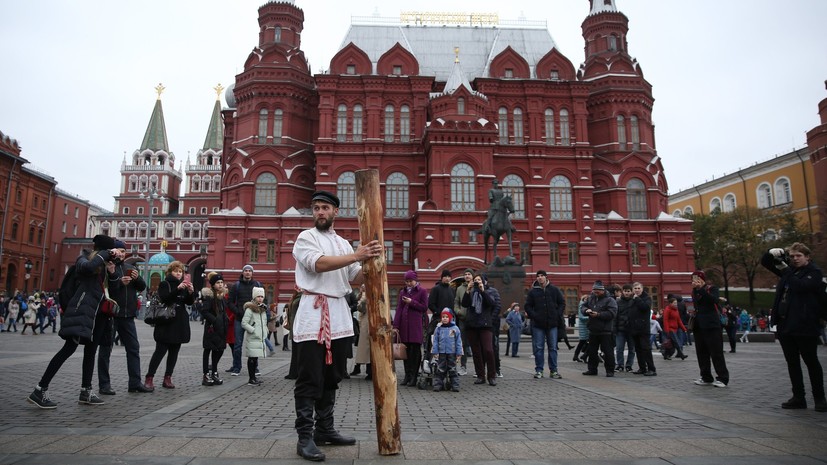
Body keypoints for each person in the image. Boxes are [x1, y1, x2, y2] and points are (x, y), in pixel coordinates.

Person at [291, 190, 381, 461]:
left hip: (340, 315)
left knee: (333, 375)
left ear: (335, 212)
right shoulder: (306, 238)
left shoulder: (343, 243)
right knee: (310, 378)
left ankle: (325, 429)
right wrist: (357, 255)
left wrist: (373, 261)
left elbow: (353, 277)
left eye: (325, 208)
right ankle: (304, 437)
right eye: (316, 208)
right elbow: (318, 264)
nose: (320, 212)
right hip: (313, 314)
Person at [27, 234, 125, 409]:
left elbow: (114, 292)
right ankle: (40, 389)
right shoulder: (85, 259)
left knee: (91, 351)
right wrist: (104, 254)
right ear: (102, 249)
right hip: (82, 312)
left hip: (99, 315)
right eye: (109, 250)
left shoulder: (105, 265)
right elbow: (87, 268)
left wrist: (113, 272)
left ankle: (86, 391)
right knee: (68, 348)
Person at [761, 244, 825, 411]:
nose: (795, 259)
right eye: (792, 256)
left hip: (805, 325)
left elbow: (801, 287)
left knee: (811, 362)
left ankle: (819, 398)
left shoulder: (814, 273)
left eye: (799, 256)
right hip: (786, 324)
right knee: (792, 363)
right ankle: (798, 397)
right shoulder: (789, 271)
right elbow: (765, 263)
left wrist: (786, 270)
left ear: (807, 257)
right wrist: (771, 252)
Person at [97, 240, 152, 395]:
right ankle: (104, 384)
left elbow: (142, 287)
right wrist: (118, 281)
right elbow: (106, 291)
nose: (121, 253)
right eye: (118, 250)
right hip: (111, 314)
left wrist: (137, 278)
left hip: (127, 315)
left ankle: (135, 383)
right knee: (106, 349)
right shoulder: (106, 268)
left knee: (133, 348)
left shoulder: (130, 267)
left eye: (123, 250)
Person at [144, 261, 194, 390]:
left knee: (174, 352)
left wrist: (190, 292)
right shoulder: (164, 284)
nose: (178, 274)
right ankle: (149, 377)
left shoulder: (183, 285)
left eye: (180, 272)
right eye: (176, 271)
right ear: (170, 272)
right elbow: (165, 298)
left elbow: (188, 302)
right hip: (166, 321)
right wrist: (178, 289)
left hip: (179, 321)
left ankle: (168, 378)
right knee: (160, 351)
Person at [690, 270, 729, 388]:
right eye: (693, 279)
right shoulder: (694, 291)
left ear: (703, 279)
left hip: (712, 325)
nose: (695, 281)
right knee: (701, 353)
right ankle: (706, 376)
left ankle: (722, 378)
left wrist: (701, 288)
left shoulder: (712, 289)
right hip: (699, 326)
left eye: (698, 279)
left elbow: (713, 300)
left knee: (716, 352)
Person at [524, 270, 565, 379]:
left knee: (553, 348)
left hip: (552, 323)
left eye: (542, 276)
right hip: (538, 324)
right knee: (538, 347)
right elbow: (527, 306)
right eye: (538, 276)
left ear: (546, 277)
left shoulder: (554, 290)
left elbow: (562, 303)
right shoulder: (533, 292)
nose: (540, 278)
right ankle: (539, 370)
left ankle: (554, 371)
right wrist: (534, 315)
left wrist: (557, 314)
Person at [461, 272, 500, 386]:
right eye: (475, 280)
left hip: (485, 325)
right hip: (472, 325)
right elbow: (464, 304)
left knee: (488, 350)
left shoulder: (488, 291)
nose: (477, 282)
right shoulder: (471, 291)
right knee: (476, 352)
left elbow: (491, 303)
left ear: (483, 282)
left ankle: (492, 376)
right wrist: (468, 290)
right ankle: (480, 376)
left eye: (479, 280)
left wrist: (482, 291)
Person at [392, 270, 429, 387]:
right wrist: (396, 326)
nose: (408, 283)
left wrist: (412, 302)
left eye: (410, 281)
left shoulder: (422, 291)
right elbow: (399, 309)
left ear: (415, 280)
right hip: (404, 325)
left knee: (415, 352)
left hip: (415, 326)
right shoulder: (403, 291)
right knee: (405, 352)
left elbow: (424, 307)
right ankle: (407, 375)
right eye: (406, 281)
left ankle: (414, 376)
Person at [227, 264, 263, 376]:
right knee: (237, 344)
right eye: (246, 270)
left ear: (252, 273)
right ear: (242, 272)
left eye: (249, 271)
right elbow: (230, 302)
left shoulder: (257, 285)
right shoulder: (236, 286)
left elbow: (261, 300)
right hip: (239, 319)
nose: (247, 272)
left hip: (254, 319)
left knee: (254, 344)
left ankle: (255, 367)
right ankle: (237, 367)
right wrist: (238, 311)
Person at [582, 280, 617, 377]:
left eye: (597, 291)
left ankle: (610, 371)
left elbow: (612, 314)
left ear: (603, 290)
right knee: (592, 352)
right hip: (593, 330)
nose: (595, 292)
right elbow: (583, 306)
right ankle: (592, 369)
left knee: (608, 352)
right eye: (594, 290)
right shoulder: (591, 298)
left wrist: (598, 315)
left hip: (605, 331)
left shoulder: (610, 300)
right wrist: (586, 310)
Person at [201, 272, 229, 386]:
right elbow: (205, 311)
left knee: (219, 350)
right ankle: (206, 374)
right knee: (208, 350)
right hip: (212, 329)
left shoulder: (221, 296)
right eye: (218, 282)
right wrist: (214, 320)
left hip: (221, 328)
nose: (220, 284)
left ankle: (214, 372)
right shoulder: (210, 296)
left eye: (222, 282)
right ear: (213, 284)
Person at [626, 283, 656, 376]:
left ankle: (651, 369)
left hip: (643, 328)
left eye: (639, 288)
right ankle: (642, 368)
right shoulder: (632, 299)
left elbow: (645, 307)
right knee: (638, 349)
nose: (637, 290)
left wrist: (637, 299)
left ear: (642, 289)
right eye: (635, 288)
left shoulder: (646, 298)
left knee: (646, 349)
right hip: (634, 328)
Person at [242, 287, 269, 386]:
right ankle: (251, 378)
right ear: (254, 297)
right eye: (258, 296)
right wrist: (253, 330)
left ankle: (254, 377)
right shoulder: (250, 310)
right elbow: (244, 323)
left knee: (255, 358)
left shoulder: (263, 309)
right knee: (252, 358)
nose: (260, 298)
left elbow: (265, 322)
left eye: (262, 296)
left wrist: (265, 330)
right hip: (253, 337)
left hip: (260, 338)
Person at [431, 308, 463, 392]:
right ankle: (438, 385)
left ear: (450, 318)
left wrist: (459, 353)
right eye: (443, 317)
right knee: (440, 369)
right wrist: (435, 351)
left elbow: (458, 342)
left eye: (446, 317)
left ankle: (455, 385)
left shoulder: (455, 328)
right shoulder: (438, 329)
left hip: (451, 352)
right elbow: (435, 341)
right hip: (441, 353)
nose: (444, 318)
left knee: (452, 369)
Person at [453, 268, 474, 376]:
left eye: (469, 274)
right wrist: (458, 311)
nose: (467, 276)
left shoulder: (476, 287)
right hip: (463, 319)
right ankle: (463, 367)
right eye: (465, 274)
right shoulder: (460, 288)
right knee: (463, 344)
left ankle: (478, 368)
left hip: (475, 320)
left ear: (472, 276)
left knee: (476, 344)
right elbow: (456, 302)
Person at [614, 285, 636, 372]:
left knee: (632, 349)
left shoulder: (634, 301)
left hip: (631, 330)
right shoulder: (618, 302)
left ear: (631, 292)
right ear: (623, 292)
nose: (627, 293)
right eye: (625, 291)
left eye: (628, 291)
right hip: (620, 329)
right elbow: (615, 316)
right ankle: (620, 365)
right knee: (619, 348)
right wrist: (614, 328)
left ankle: (629, 365)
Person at [352, 285, 372, 380]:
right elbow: (361, 309)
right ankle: (368, 370)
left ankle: (369, 370)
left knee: (368, 348)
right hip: (365, 323)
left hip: (368, 323)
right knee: (366, 348)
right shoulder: (363, 295)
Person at [662, 296, 688, 361]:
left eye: (676, 303)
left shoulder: (676, 310)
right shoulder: (667, 309)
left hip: (675, 329)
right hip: (670, 329)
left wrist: (684, 329)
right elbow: (665, 320)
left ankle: (666, 355)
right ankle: (681, 354)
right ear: (670, 303)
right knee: (676, 342)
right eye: (674, 303)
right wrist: (667, 330)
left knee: (672, 344)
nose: (676, 304)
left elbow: (679, 320)